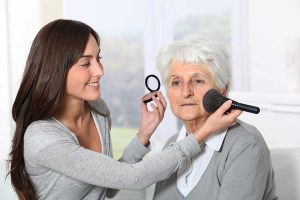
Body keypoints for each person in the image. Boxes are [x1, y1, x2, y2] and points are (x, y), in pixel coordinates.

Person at [7, 19, 241, 200]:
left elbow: (107, 187)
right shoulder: (43, 138)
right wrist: (203, 134)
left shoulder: (97, 111)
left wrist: (143, 136)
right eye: (86, 63)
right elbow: (132, 178)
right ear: (56, 69)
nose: (100, 70)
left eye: (99, 58)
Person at [152, 37, 278, 200]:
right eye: (176, 82)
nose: (185, 92)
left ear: (222, 91)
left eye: (198, 81)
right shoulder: (172, 145)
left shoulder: (246, 145)